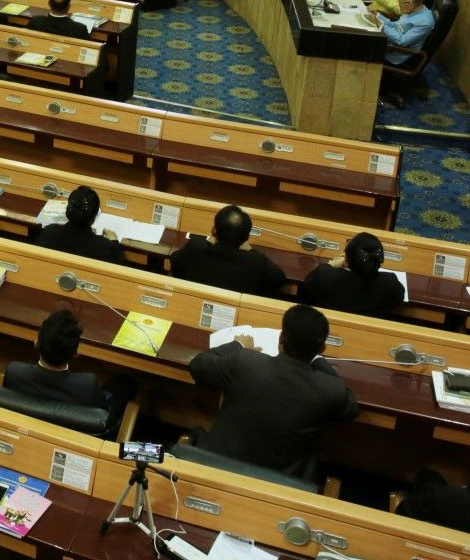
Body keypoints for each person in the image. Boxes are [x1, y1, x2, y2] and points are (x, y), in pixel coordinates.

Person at [188, 304, 358, 479]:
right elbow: (351, 408)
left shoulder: (244, 361)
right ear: (322, 348)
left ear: (282, 338)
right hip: (276, 486)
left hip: (213, 471)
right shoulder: (330, 389)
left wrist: (238, 344)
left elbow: (198, 365)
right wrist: (318, 359)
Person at [168, 204, 285, 297]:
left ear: (213, 230)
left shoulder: (195, 248)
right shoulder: (256, 261)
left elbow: (175, 260)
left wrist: (207, 243)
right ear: (247, 237)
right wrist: (250, 250)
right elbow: (279, 279)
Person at [300, 232, 404, 317]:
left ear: (346, 260)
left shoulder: (325, 276)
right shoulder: (390, 284)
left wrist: (331, 264)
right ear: (380, 260)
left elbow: (305, 287)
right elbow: (398, 297)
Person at [36, 185, 125, 265]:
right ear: (95, 216)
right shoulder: (105, 247)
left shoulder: (48, 232)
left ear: (68, 210)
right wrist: (115, 242)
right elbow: (117, 267)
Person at [368, 0, 435, 65]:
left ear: (409, 4)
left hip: (394, 54)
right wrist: (378, 16)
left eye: (400, 3)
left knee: (361, 45)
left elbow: (402, 41)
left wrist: (381, 25)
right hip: (389, 43)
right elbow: (396, 26)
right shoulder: (412, 10)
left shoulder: (425, 22)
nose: (399, 6)